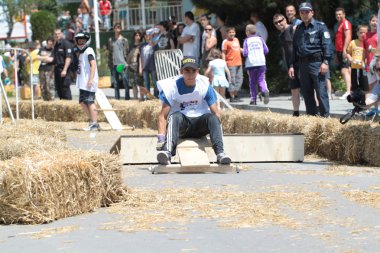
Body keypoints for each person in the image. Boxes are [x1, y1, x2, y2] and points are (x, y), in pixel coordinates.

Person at [156, 56, 231, 165]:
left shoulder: (205, 85)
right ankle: (167, 152)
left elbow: (216, 112)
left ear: (198, 72)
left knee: (212, 117)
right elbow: (162, 116)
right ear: (181, 72)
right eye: (187, 71)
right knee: (174, 116)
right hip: (182, 126)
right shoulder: (172, 87)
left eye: (193, 71)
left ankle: (220, 154)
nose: (190, 75)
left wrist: (218, 134)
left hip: (200, 126)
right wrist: (161, 138)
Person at [288, 2, 332, 117]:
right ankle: (312, 116)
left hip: (317, 63)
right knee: (306, 92)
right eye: (302, 12)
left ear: (312, 12)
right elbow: (295, 48)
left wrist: (325, 62)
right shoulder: (298, 28)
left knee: (321, 91)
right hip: (303, 64)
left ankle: (325, 117)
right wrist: (292, 65)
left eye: (307, 12)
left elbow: (327, 45)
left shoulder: (320, 26)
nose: (304, 14)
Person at [273, 13, 301, 116]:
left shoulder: (293, 29)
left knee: (309, 89)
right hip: (291, 66)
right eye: (276, 23)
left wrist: (293, 65)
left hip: (300, 63)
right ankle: (296, 112)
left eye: (280, 21)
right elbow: (286, 52)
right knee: (294, 89)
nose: (279, 24)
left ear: (285, 20)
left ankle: (315, 110)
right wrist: (289, 65)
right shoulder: (281, 35)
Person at [74, 32, 100, 131]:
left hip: (88, 82)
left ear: (87, 41)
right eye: (79, 40)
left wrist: (91, 79)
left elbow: (93, 65)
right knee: (82, 101)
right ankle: (92, 121)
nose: (80, 42)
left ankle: (94, 123)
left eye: (82, 40)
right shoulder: (81, 52)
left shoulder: (89, 51)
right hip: (82, 83)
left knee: (90, 101)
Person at [243, 24, 269, 105]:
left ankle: (253, 99)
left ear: (247, 32)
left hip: (251, 64)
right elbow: (266, 50)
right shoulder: (260, 39)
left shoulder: (246, 41)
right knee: (261, 79)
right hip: (261, 62)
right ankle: (264, 91)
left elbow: (245, 53)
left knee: (252, 82)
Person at [107, 22, 130, 100]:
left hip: (122, 64)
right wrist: (109, 64)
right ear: (114, 29)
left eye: (119, 27)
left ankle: (127, 98)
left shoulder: (124, 40)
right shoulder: (111, 40)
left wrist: (127, 62)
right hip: (114, 64)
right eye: (116, 27)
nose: (118, 28)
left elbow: (127, 51)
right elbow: (110, 53)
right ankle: (117, 99)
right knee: (116, 83)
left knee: (125, 81)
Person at [335, 7, 352, 100]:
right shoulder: (339, 24)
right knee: (347, 70)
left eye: (340, 14)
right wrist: (336, 54)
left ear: (344, 14)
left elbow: (348, 36)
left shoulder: (345, 23)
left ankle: (348, 92)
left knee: (344, 70)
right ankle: (350, 91)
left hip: (344, 50)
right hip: (339, 51)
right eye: (337, 14)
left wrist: (345, 50)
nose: (338, 16)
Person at [222, 26, 243, 102]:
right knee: (232, 80)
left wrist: (246, 50)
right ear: (227, 33)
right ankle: (232, 97)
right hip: (230, 63)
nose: (232, 34)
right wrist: (224, 63)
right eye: (230, 32)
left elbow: (239, 49)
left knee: (240, 79)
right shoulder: (225, 42)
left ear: (235, 33)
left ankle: (235, 93)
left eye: (233, 32)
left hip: (239, 62)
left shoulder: (236, 40)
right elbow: (223, 53)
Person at [346, 25, 369, 94]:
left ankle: (363, 100)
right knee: (354, 85)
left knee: (364, 85)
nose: (363, 34)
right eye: (361, 32)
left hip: (364, 68)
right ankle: (356, 101)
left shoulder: (367, 43)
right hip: (354, 67)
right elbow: (348, 53)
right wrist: (350, 58)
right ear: (357, 33)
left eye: (365, 32)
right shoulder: (353, 42)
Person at [53, 28, 73, 100]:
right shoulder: (55, 45)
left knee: (65, 89)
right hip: (57, 69)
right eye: (55, 34)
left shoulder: (66, 43)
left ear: (61, 34)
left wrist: (64, 70)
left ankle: (69, 107)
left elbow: (68, 57)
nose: (57, 35)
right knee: (59, 89)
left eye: (58, 34)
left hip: (64, 69)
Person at [139, 28, 158, 97]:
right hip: (145, 66)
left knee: (155, 81)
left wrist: (152, 38)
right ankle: (148, 97)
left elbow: (155, 45)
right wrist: (140, 67)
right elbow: (140, 57)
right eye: (146, 35)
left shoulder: (154, 44)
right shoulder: (142, 45)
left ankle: (156, 96)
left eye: (149, 35)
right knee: (146, 83)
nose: (147, 36)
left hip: (153, 66)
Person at [37, 36, 55, 101]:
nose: (50, 43)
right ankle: (44, 100)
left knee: (49, 86)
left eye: (52, 42)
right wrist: (45, 58)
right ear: (47, 41)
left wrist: (43, 57)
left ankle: (51, 99)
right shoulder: (41, 49)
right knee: (42, 86)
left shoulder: (53, 50)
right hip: (41, 69)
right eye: (49, 41)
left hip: (49, 70)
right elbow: (37, 57)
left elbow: (51, 59)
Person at [127, 31, 144, 100]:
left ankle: (142, 98)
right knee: (133, 84)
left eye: (139, 35)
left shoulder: (142, 46)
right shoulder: (131, 46)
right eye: (136, 35)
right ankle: (135, 99)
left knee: (140, 84)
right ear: (134, 36)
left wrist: (140, 68)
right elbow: (128, 56)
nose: (137, 37)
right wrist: (127, 64)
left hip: (138, 66)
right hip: (131, 66)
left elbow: (141, 57)